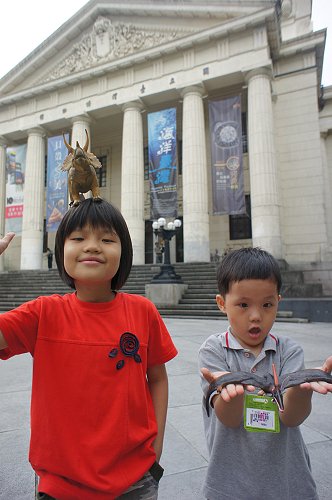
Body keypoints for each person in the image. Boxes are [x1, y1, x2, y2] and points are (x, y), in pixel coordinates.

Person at [0, 199, 178, 500]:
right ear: (62, 250)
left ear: (124, 252)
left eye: (107, 239)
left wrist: (156, 447)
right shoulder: (43, 314)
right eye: (79, 238)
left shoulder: (143, 311)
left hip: (135, 478)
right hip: (61, 482)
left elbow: (157, 378)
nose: (93, 246)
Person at [198, 247, 332, 500]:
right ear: (222, 304)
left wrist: (301, 390)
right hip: (231, 483)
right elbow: (228, 419)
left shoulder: (289, 351)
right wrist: (232, 395)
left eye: (267, 305)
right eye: (243, 305)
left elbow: (291, 417)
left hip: (288, 480)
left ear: (278, 302)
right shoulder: (214, 350)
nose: (256, 316)